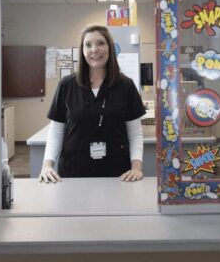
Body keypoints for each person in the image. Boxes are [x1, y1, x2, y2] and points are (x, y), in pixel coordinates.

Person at [39, 24, 146, 183]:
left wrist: (136, 168)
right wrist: (47, 166)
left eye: (100, 43)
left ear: (110, 47)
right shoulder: (67, 85)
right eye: (88, 45)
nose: (94, 49)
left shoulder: (125, 85)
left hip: (117, 174)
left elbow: (135, 133)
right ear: (82, 51)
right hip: (73, 173)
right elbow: (56, 131)